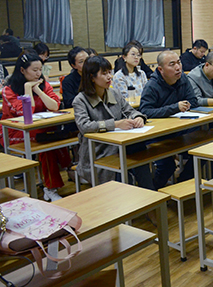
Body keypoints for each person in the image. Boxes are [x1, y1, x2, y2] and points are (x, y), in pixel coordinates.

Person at [73, 56, 154, 189]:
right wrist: (115, 124)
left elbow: (129, 110)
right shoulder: (80, 100)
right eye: (104, 74)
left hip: (119, 142)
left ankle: (149, 193)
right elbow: (84, 126)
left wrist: (139, 117)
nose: (109, 77)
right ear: (92, 77)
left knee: (139, 150)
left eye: (109, 72)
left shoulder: (114, 93)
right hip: (99, 149)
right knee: (123, 162)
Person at [1, 52, 71, 201]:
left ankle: (55, 181)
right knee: (46, 142)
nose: (38, 73)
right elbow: (26, 112)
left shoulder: (42, 84)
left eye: (40, 69)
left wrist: (38, 89)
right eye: (34, 70)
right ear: (22, 70)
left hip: (40, 127)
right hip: (15, 132)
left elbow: (54, 106)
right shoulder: (8, 90)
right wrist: (27, 89)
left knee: (55, 137)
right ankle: (51, 187)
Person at [139, 50, 199, 189]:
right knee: (167, 166)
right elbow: (145, 111)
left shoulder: (183, 78)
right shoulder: (152, 86)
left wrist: (183, 106)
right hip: (157, 135)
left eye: (179, 62)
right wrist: (175, 108)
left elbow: (193, 101)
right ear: (160, 69)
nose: (178, 67)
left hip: (178, 129)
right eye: (172, 64)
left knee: (201, 149)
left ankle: (183, 181)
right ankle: (154, 192)